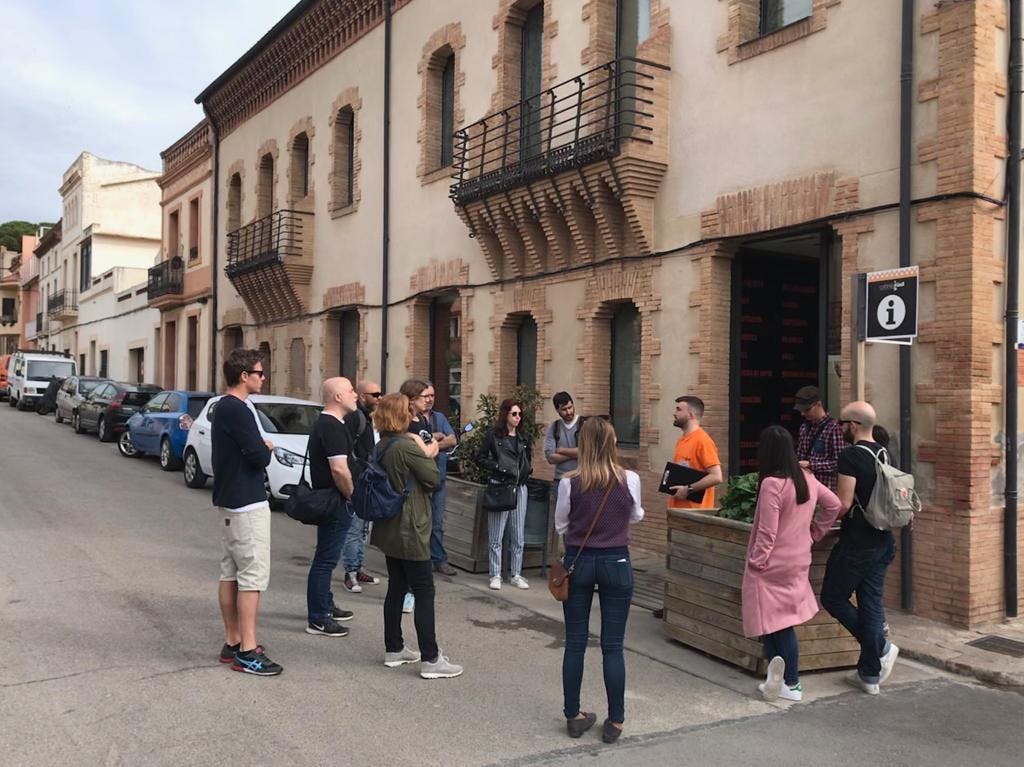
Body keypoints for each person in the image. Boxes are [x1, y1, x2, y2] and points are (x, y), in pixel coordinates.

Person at [556, 417, 644, 744]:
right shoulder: (629, 479)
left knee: (575, 642)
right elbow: (636, 515)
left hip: (579, 561)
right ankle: (616, 720)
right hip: (617, 560)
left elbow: (561, 525)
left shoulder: (570, 482)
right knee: (613, 646)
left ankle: (573, 715)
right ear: (612, 443)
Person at [742, 426, 844, 702]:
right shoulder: (807, 478)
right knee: (776, 621)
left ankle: (791, 682)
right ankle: (777, 679)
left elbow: (767, 530)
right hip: (798, 558)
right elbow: (835, 505)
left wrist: (757, 560)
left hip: (772, 562)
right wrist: (815, 532)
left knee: (778, 622)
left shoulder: (772, 484)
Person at [370, 393, 463, 679]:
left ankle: (394, 648)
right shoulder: (404, 447)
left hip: (389, 525)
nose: (414, 417)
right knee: (424, 590)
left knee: (397, 586)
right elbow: (433, 478)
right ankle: (431, 659)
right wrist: (430, 446)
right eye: (408, 412)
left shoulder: (382, 444)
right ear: (399, 416)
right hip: (411, 525)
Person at [820, 400, 900, 695]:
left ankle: (879, 647)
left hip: (857, 543)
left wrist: (819, 521)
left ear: (853, 425)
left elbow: (843, 503)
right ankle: (869, 676)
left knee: (833, 597)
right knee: (870, 603)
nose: (840, 428)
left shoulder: (851, 456)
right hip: (883, 539)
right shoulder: (884, 452)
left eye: (842, 423)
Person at [212, 348, 279, 676]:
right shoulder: (237, 409)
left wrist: (260, 447)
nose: (263, 377)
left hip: (231, 500)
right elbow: (257, 455)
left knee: (231, 572)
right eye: (260, 372)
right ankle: (248, 651)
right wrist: (266, 448)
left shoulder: (224, 408)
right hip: (247, 502)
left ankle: (233, 641)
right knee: (251, 576)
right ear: (244, 376)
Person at [653, 395, 723, 620]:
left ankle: (690, 610)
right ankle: (674, 606)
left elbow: (716, 476)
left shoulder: (702, 440)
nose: (674, 413)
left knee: (692, 564)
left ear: (691, 414)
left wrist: (689, 488)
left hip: (694, 514)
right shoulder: (683, 440)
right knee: (678, 562)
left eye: (678, 409)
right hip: (678, 513)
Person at [304, 377, 358, 637]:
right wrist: (351, 495)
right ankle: (318, 617)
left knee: (327, 556)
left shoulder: (331, 424)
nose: (355, 394)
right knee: (325, 560)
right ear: (337, 396)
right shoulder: (332, 426)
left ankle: (324, 604)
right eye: (350, 390)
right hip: (336, 501)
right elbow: (339, 469)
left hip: (332, 499)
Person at [475, 398, 533, 590]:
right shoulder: (494, 435)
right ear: (505, 415)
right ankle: (495, 574)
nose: (517, 418)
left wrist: (527, 471)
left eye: (519, 414)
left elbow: (527, 459)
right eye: (514, 414)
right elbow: (480, 458)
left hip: (519, 487)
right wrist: (497, 466)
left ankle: (516, 573)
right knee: (496, 534)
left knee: (518, 534)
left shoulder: (523, 437)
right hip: (500, 486)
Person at [397, 379, 441, 613]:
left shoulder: (423, 420)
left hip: (426, 483)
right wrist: (432, 447)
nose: (428, 400)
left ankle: (412, 589)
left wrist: (431, 446)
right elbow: (426, 451)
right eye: (424, 396)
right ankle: (407, 592)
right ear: (411, 399)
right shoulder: (404, 423)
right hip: (411, 487)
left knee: (426, 532)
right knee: (412, 541)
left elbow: (431, 446)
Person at [342, 380, 383, 593]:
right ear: (361, 395)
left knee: (362, 529)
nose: (378, 398)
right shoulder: (355, 417)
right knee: (354, 529)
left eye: (380, 394)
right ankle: (350, 573)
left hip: (367, 480)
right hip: (357, 480)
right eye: (374, 394)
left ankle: (357, 568)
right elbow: (347, 450)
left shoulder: (367, 418)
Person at [423, 381, 458, 576]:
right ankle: (424, 559)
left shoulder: (440, 417)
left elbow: (452, 439)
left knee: (437, 523)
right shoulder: (414, 419)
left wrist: (431, 442)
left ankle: (439, 559)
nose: (429, 400)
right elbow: (415, 445)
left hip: (439, 479)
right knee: (422, 523)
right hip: (420, 480)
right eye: (426, 396)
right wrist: (436, 439)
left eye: (432, 396)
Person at [793, 385, 844, 490]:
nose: (803, 414)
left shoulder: (834, 428)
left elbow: (839, 463)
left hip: (824, 488)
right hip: (804, 487)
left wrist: (811, 465)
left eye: (807, 410)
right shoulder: (804, 427)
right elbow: (800, 455)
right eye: (801, 410)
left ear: (818, 404)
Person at [545, 391, 580, 485]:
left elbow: (587, 452)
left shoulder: (584, 424)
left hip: (581, 478)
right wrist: (575, 453)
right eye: (564, 409)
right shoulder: (554, 427)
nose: (569, 412)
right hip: (560, 479)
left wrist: (561, 450)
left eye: (570, 407)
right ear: (557, 410)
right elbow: (550, 458)